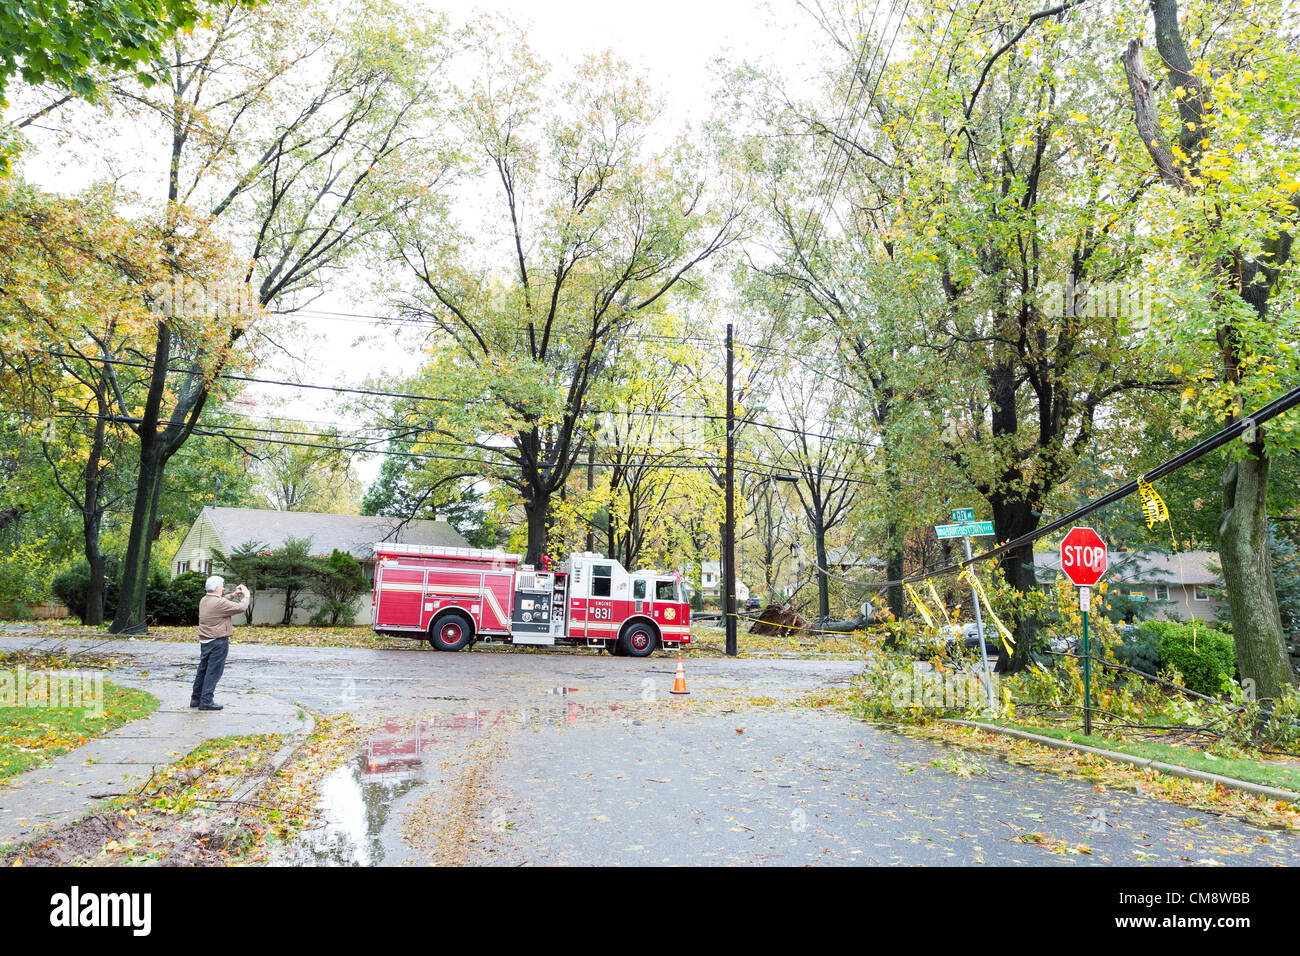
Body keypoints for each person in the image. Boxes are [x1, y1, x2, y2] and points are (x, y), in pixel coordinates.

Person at [192, 575, 249, 711]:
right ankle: (206, 701)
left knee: (203, 670)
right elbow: (241, 608)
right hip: (218, 641)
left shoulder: (205, 600)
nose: (223, 587)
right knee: (214, 671)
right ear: (217, 588)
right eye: (222, 585)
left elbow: (222, 601)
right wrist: (246, 595)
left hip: (205, 640)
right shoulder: (218, 603)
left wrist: (234, 594)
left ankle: (196, 698)